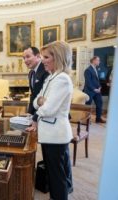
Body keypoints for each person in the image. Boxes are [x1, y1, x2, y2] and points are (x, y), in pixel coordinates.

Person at [26, 41, 74, 200]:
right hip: (49, 134)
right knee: (53, 174)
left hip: (56, 135)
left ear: (58, 57)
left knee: (57, 177)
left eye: (46, 57)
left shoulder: (62, 79)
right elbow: (36, 101)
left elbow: (49, 109)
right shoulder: (52, 77)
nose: (43, 60)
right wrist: (40, 101)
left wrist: (41, 103)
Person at [23, 47, 49, 115]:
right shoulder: (31, 73)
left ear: (38, 56)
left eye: (28, 56)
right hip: (38, 112)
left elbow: (45, 97)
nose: (25, 60)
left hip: (48, 115)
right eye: (24, 58)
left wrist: (36, 117)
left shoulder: (46, 69)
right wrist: (30, 113)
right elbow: (33, 95)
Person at [83, 56, 106, 123]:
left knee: (100, 103)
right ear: (94, 61)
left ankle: (98, 119)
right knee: (88, 106)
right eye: (98, 60)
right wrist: (94, 89)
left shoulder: (96, 69)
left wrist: (99, 87)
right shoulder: (88, 70)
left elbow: (97, 80)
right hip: (90, 91)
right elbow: (88, 82)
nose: (99, 62)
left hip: (97, 91)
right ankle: (86, 120)